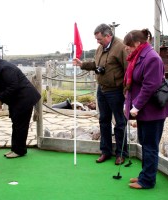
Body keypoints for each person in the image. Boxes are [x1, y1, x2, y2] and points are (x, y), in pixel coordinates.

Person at [122, 29, 168, 189]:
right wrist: (129, 103)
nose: (126, 48)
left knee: (150, 145)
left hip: (153, 111)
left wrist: (136, 105)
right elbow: (138, 84)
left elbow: (150, 86)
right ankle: (144, 174)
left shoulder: (151, 58)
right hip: (146, 110)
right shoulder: (140, 56)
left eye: (128, 45)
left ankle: (148, 180)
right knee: (145, 143)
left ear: (137, 43)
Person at [73, 23, 128, 165]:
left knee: (120, 122)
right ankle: (106, 151)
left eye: (99, 39)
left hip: (116, 90)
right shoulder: (100, 48)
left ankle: (121, 154)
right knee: (103, 120)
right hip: (102, 89)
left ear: (108, 36)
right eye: (97, 39)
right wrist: (82, 64)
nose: (97, 42)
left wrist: (127, 90)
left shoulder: (121, 46)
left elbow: (128, 70)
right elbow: (96, 65)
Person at [0, 55, 41, 158]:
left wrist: (1, 100)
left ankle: (19, 151)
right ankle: (15, 149)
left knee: (20, 125)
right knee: (15, 123)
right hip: (16, 100)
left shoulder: (6, 68)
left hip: (25, 98)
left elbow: (13, 86)